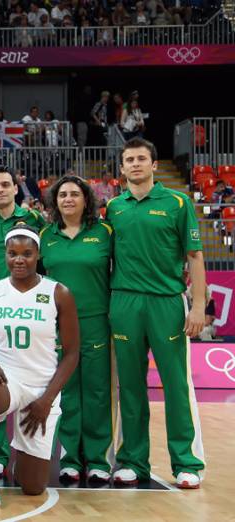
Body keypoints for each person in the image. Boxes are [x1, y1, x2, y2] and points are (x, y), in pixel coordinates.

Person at [106, 137, 206, 488]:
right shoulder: (114, 208)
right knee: (130, 386)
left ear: (153, 164)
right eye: (129, 159)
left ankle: (186, 463)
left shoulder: (178, 202)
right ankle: (133, 459)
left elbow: (194, 256)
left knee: (176, 385)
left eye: (141, 158)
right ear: (121, 167)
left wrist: (197, 305)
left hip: (166, 302)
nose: (135, 164)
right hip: (124, 302)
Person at [0, 225, 80, 507]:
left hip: (43, 387)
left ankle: (23, 457)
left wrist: (46, 399)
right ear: (5, 255)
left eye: (27, 254)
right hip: (8, 382)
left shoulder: (59, 293)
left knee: (32, 487)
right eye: (13, 254)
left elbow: (71, 353)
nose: (19, 259)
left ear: (38, 255)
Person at [0, 165, 47, 475]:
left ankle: (28, 448)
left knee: (31, 379)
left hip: (31, 311)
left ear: (16, 188)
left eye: (5, 184)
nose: (0, 189)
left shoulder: (36, 221)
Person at [39, 175, 114, 483]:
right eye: (62, 194)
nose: (68, 199)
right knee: (67, 392)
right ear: (55, 202)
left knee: (96, 391)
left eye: (75, 194)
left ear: (87, 200)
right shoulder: (46, 236)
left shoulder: (105, 232)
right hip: (58, 326)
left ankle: (97, 459)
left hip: (97, 320)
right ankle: (70, 458)